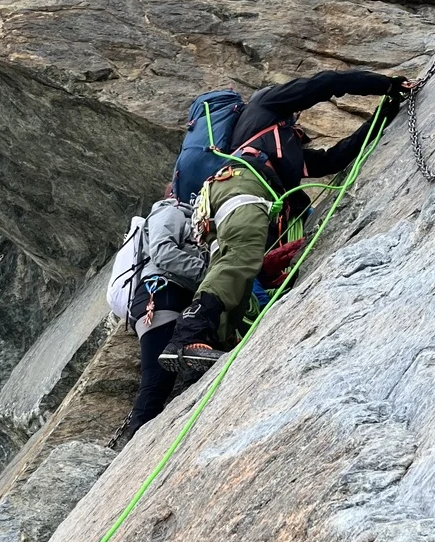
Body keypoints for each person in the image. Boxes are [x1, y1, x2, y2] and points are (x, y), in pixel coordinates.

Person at [158, 70, 415, 372]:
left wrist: (384, 113)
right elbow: (325, 84)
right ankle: (189, 334)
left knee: (236, 280)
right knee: (241, 258)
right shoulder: (266, 104)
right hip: (242, 187)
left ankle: (204, 348)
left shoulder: (282, 144)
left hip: (220, 200)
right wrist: (384, 84)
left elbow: (333, 159)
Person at [123, 196, 209, 437]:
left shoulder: (189, 217)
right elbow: (163, 254)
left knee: (159, 377)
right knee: (156, 379)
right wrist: (207, 271)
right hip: (161, 294)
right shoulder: (171, 210)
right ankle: (135, 446)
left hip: (166, 295)